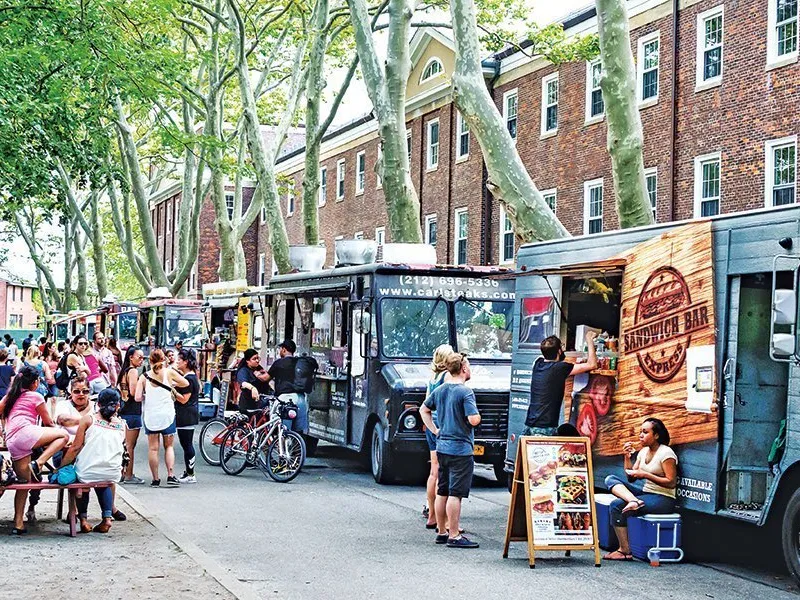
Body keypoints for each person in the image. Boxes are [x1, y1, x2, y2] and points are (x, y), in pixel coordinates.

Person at [420, 352, 481, 549]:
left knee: (442, 490)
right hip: (460, 449)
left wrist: (435, 429)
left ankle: (441, 531)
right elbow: (473, 419)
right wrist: (477, 418)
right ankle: (454, 535)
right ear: (463, 369)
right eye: (469, 366)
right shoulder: (465, 392)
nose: (470, 369)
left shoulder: (441, 389)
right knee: (456, 493)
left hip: (442, 447)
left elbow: (424, 409)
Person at [0, 365, 69, 533]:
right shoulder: (35, 396)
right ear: (35, 382)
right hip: (27, 434)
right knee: (63, 436)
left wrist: (3, 430)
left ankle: (19, 524)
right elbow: (49, 423)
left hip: (12, 441)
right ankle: (39, 463)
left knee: (25, 483)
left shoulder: (10, 396)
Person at [603, 418, 678, 561]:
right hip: (645, 494)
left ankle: (624, 551)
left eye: (645, 432)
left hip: (663, 498)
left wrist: (645, 474)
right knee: (610, 479)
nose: (641, 436)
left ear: (656, 435)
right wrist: (627, 457)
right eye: (640, 432)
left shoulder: (666, 453)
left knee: (617, 506)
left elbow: (671, 482)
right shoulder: (643, 452)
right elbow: (631, 476)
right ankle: (634, 501)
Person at [60, 388, 126, 534]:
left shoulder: (89, 420)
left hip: (88, 471)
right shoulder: (121, 425)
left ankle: (83, 520)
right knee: (105, 483)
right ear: (118, 406)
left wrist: (61, 466)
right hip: (112, 471)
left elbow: (75, 447)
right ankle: (107, 519)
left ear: (98, 404)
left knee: (84, 481)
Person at [523, 331, 598, 436]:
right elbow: (592, 364)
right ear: (559, 351)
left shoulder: (538, 363)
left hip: (529, 426)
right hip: (545, 428)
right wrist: (589, 339)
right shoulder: (560, 368)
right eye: (562, 347)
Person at [135, 348, 189, 487]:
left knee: (153, 448)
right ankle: (170, 475)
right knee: (169, 446)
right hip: (167, 415)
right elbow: (186, 383)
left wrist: (148, 395)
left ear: (150, 360)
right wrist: (172, 385)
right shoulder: (169, 373)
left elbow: (137, 397)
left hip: (151, 416)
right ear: (164, 359)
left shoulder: (144, 377)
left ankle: (155, 479)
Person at [422, 344, 453, 530]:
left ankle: (431, 513)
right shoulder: (446, 377)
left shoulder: (432, 378)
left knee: (433, 472)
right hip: (442, 425)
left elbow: (426, 403)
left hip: (431, 425)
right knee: (444, 473)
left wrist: (431, 427)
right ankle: (445, 520)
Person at [262, 339, 309, 434]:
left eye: (280, 349)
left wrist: (256, 374)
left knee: (284, 431)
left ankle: (284, 448)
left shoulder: (279, 363)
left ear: (284, 350)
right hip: (301, 399)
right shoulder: (301, 363)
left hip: (286, 399)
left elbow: (265, 378)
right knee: (298, 432)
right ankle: (297, 448)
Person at [119, 345, 146, 484]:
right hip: (132, 411)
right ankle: (128, 474)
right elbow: (135, 393)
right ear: (131, 357)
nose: (142, 360)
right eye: (139, 357)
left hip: (124, 411)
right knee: (130, 445)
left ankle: (123, 472)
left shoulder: (124, 371)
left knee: (125, 444)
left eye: (143, 357)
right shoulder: (133, 372)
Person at [174, 348, 200, 484]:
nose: (177, 362)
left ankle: (191, 473)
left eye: (180, 359)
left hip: (186, 414)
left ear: (186, 362)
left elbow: (184, 399)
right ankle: (188, 471)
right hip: (188, 414)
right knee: (186, 444)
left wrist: (173, 392)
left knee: (187, 444)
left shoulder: (188, 379)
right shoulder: (190, 377)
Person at [55, 377, 95, 442]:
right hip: (66, 443)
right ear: (71, 392)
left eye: (85, 391)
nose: (81, 394)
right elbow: (63, 420)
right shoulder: (63, 404)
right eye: (77, 391)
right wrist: (90, 421)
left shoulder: (96, 407)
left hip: (90, 443)